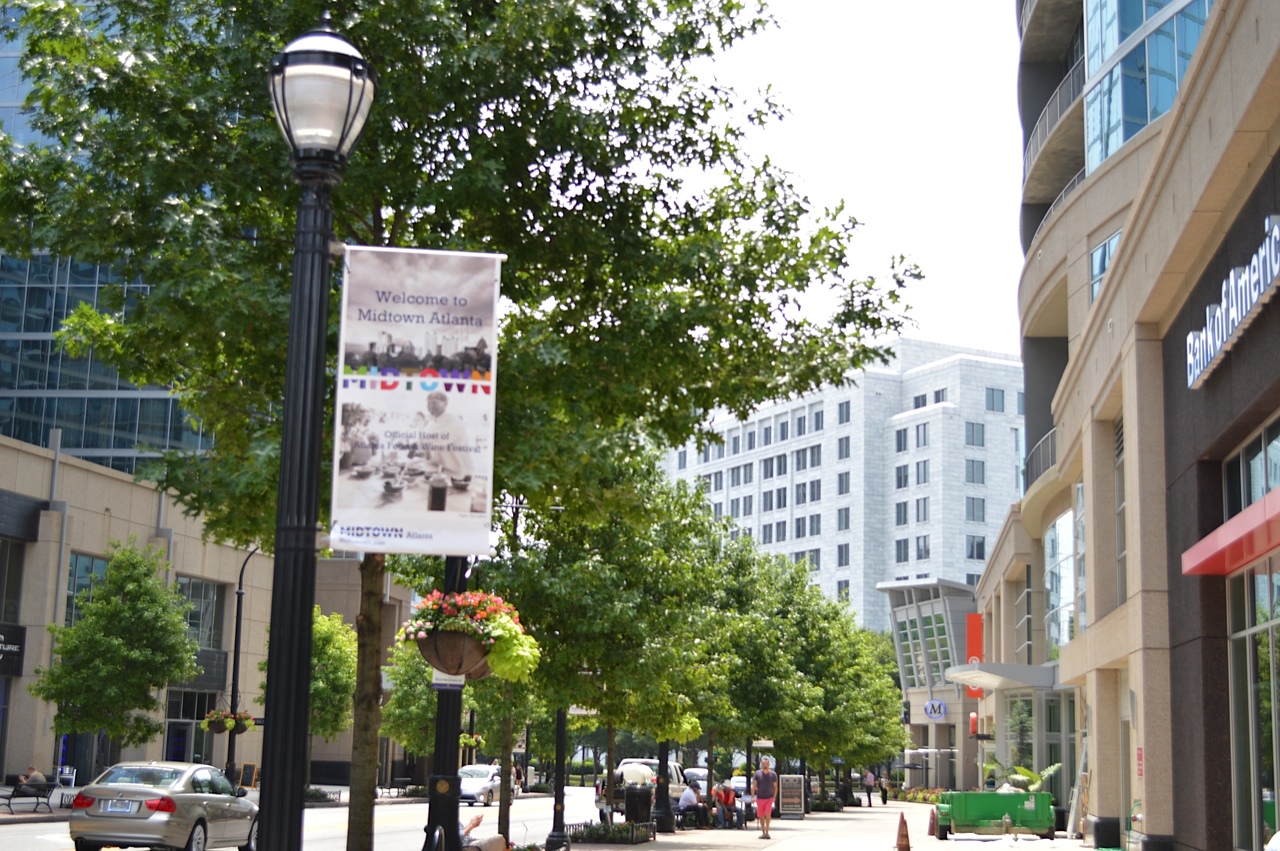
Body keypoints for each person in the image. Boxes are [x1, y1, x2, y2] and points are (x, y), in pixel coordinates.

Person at [424, 390, 473, 479]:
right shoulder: (434, 423)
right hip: (443, 472)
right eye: (429, 403)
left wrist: (414, 445)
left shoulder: (452, 421)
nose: (431, 406)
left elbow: (434, 440)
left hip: (459, 474)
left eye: (435, 403)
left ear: (446, 404)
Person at [751, 757, 778, 840]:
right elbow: (754, 785)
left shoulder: (773, 774)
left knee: (767, 813)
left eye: (766, 764)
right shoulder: (757, 774)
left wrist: (774, 797)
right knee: (761, 815)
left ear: (769, 765)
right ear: (761, 765)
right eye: (763, 764)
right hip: (760, 797)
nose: (765, 765)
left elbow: (776, 787)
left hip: (769, 797)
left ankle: (767, 831)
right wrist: (752, 797)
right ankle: (763, 832)